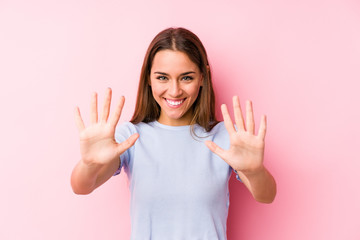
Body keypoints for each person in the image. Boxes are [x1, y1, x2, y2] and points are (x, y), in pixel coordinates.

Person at [71, 27, 276, 239]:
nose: (175, 90)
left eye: (186, 78)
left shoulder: (225, 136)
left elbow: (266, 196)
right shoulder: (131, 137)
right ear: (149, 78)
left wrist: (254, 170)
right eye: (162, 78)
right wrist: (89, 164)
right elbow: (81, 187)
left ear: (203, 77)